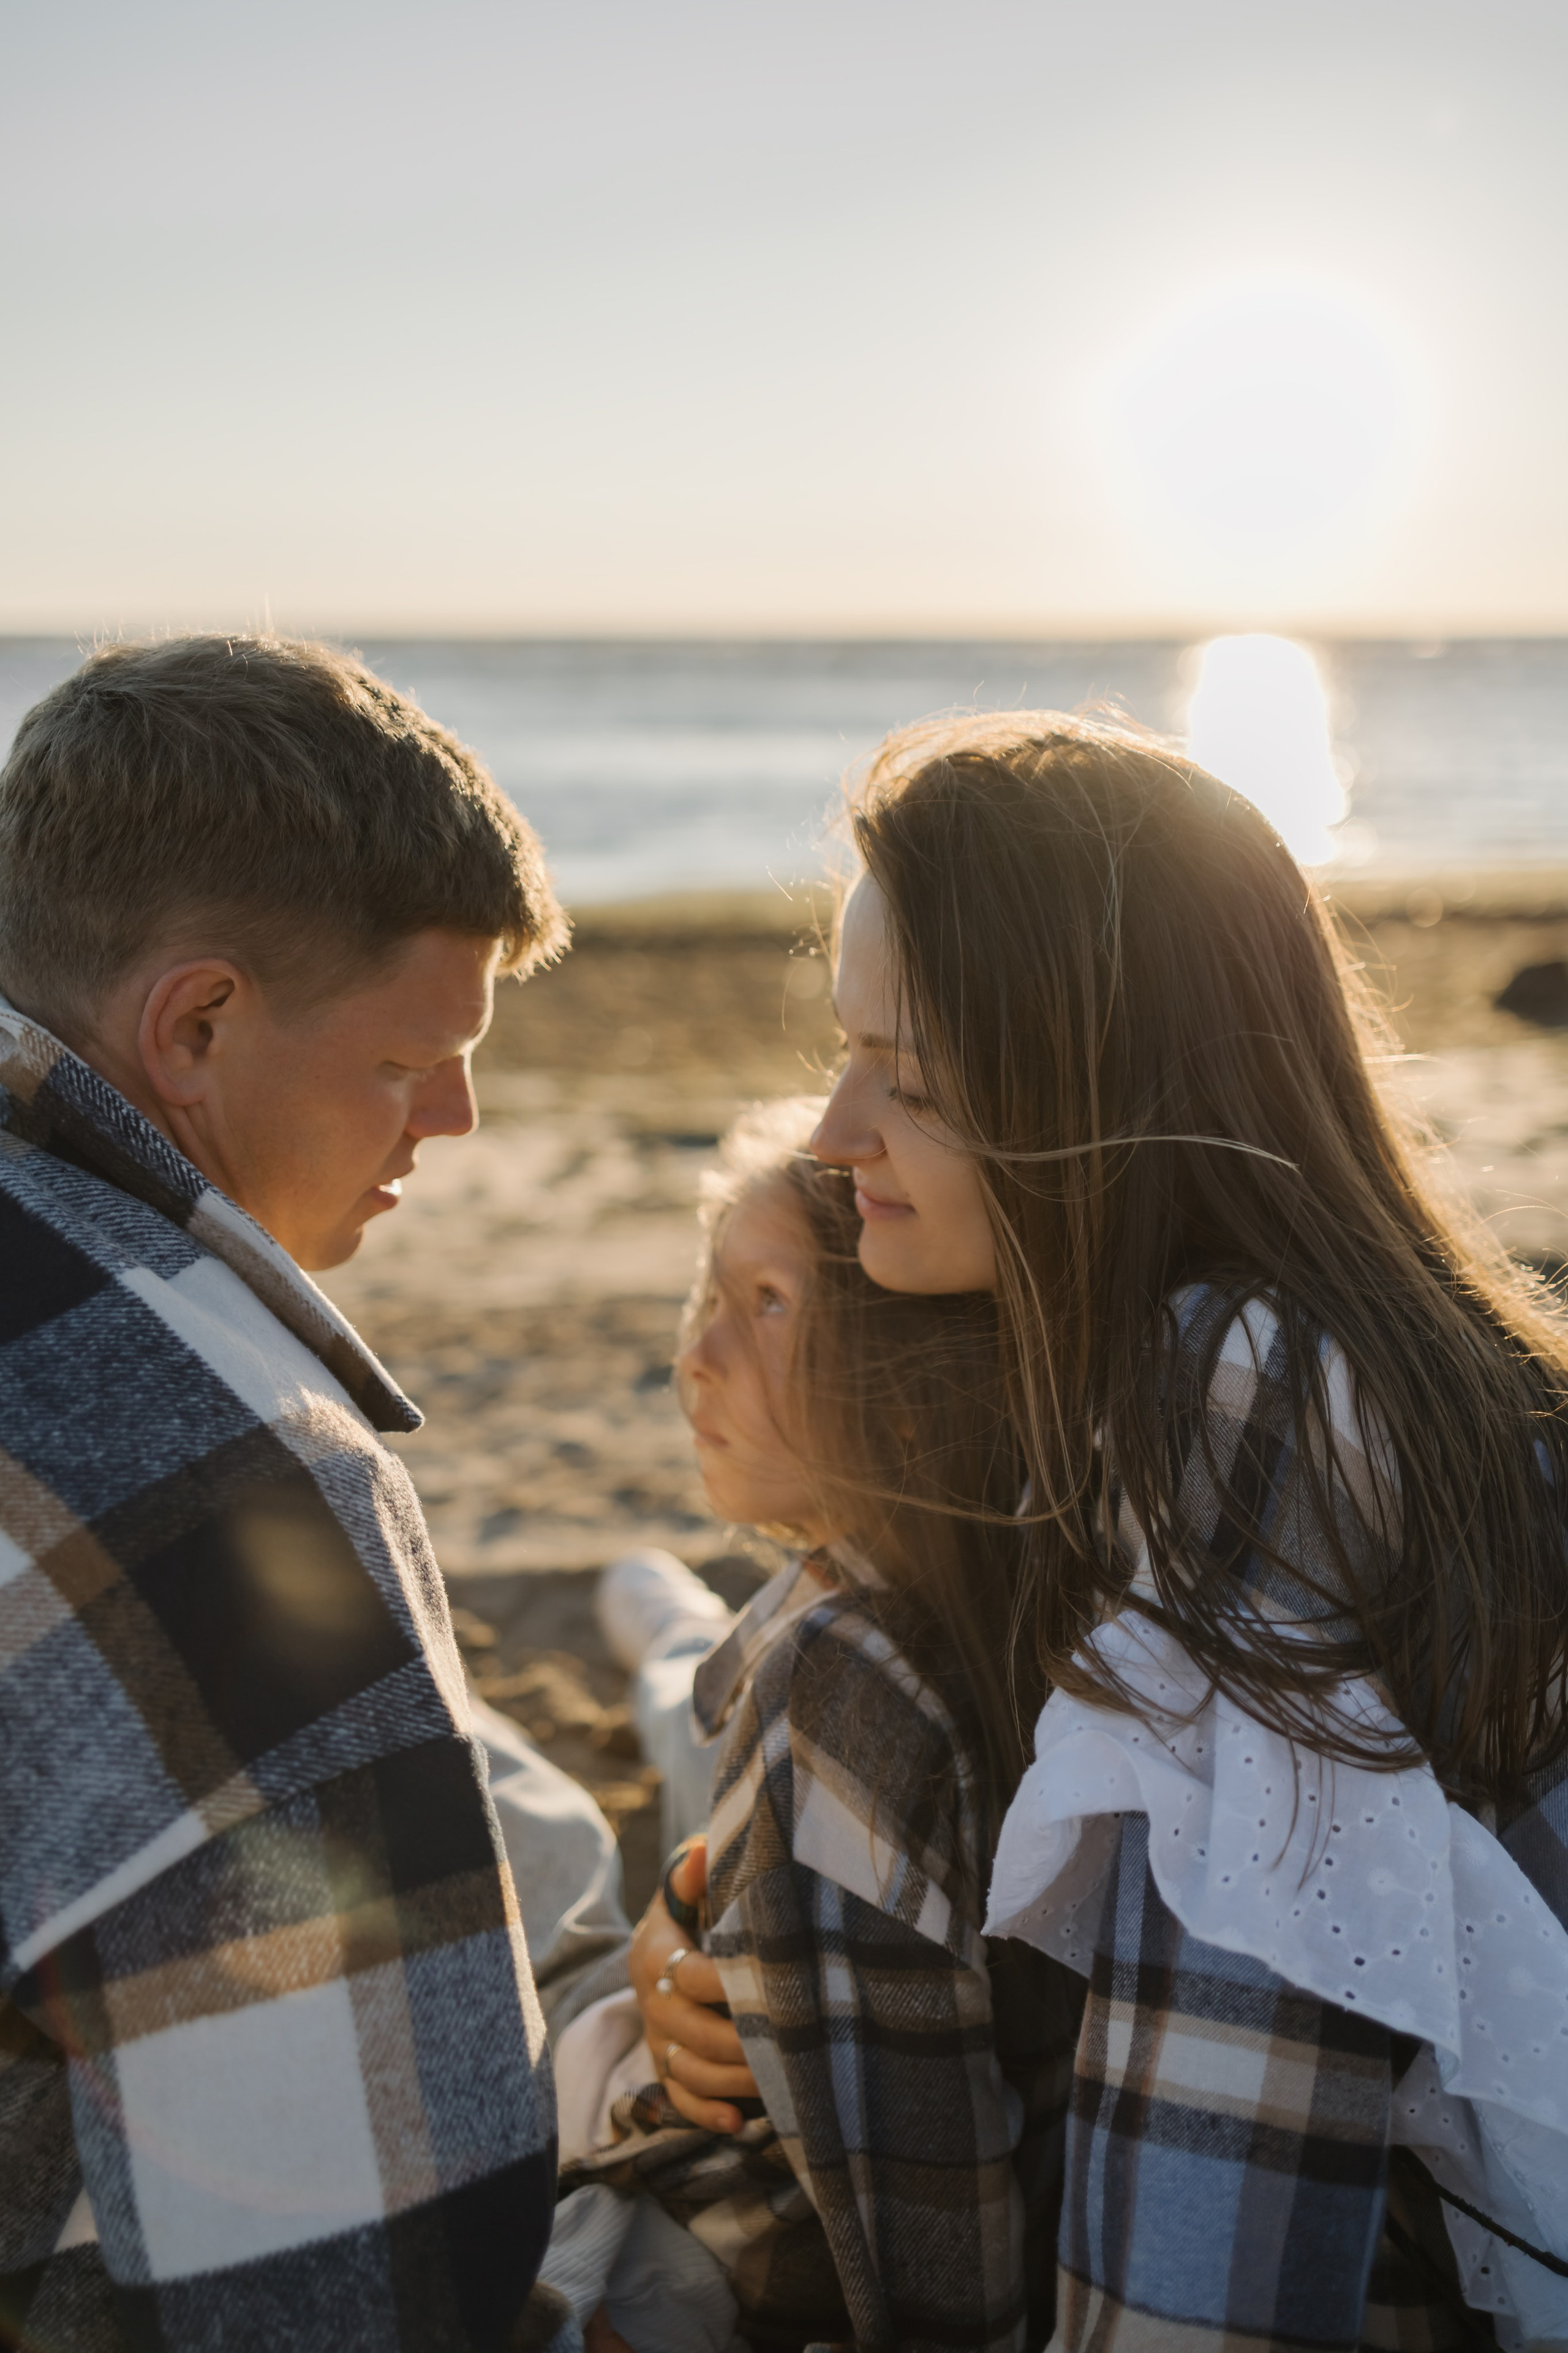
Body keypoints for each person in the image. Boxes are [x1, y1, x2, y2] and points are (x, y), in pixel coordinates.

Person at [805, 711, 1568, 2349]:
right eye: (842, 1050)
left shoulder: (1255, 1396)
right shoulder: (1378, 1350)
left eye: (915, 1084)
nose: (834, 1131)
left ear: (1108, 1106)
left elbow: (1242, 2071)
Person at [0, 636, 565, 2352]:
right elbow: (368, 2266)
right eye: (407, 1061)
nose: (456, 1118)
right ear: (197, 1022)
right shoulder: (231, 1481)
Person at [540, 1100, 1084, 2353]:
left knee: (542, 1824)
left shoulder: (831, 1685)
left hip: (690, 2243)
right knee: (684, 1700)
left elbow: (923, 2269)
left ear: (912, 1358)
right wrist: (677, 1929)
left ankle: (655, 1611)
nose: (694, 1356)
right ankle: (661, 1614)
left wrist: (649, 1956)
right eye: (704, 1296)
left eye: (767, 1300)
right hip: (747, 1764)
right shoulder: (1033, 1585)